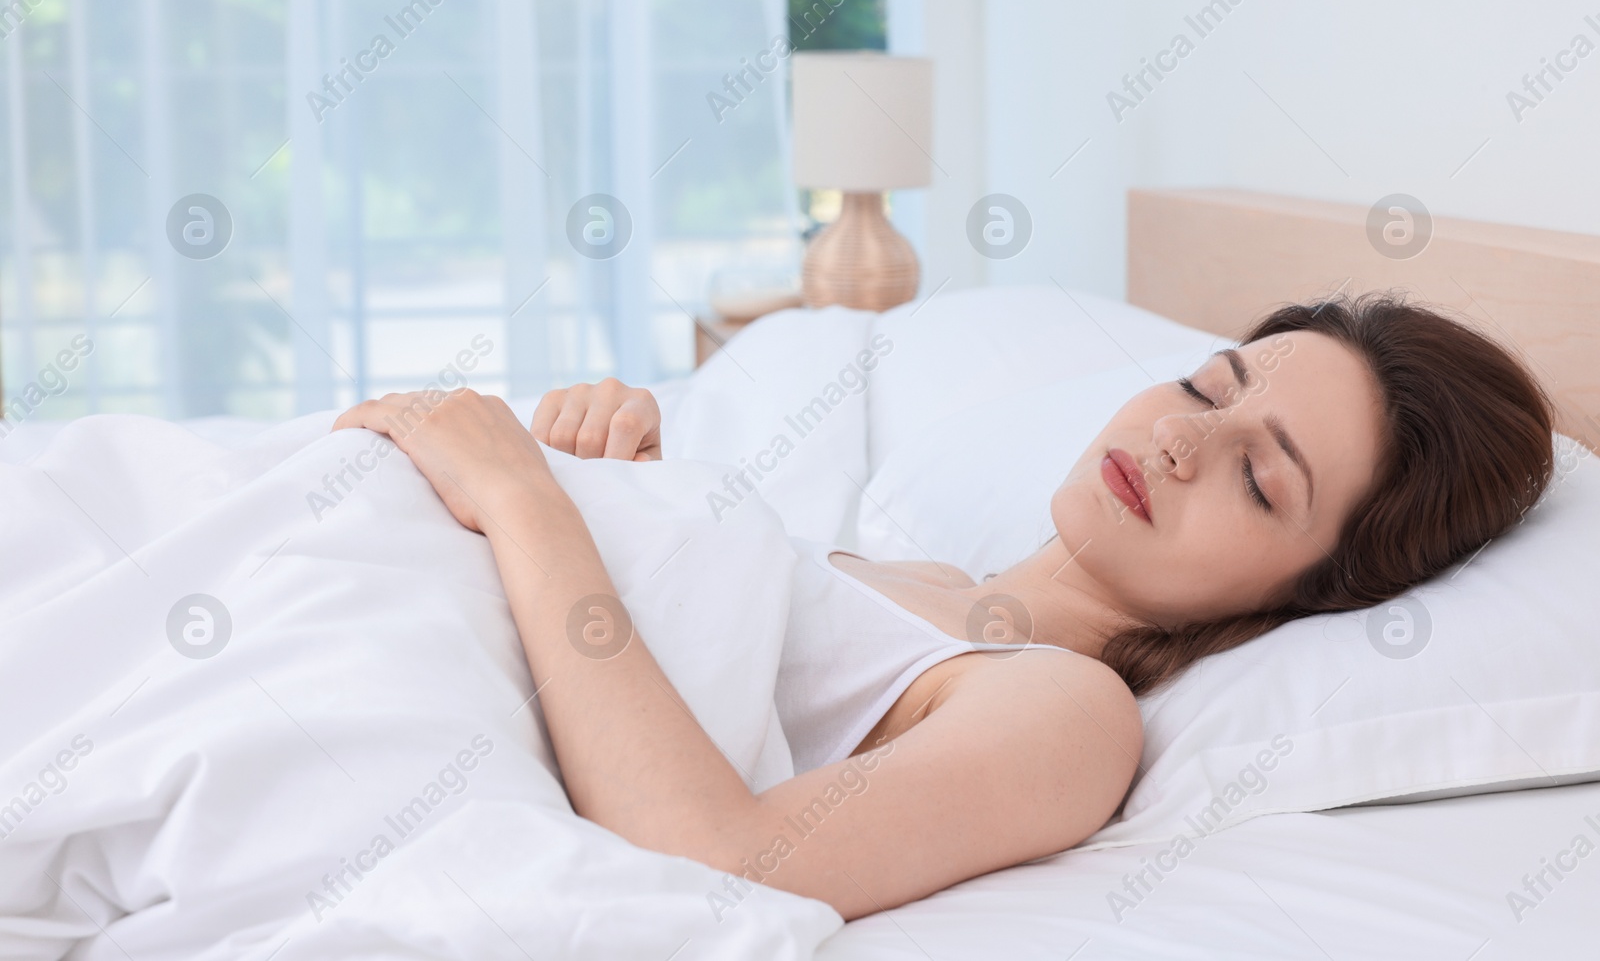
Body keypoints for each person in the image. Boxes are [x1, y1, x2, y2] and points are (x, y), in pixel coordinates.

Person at [330, 292, 1555, 920]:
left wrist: (528, 500)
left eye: (1256, 474)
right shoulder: (911, 577)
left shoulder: (1071, 712)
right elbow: (708, 665)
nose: (1182, 435)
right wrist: (617, 488)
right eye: (1204, 385)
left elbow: (719, 859)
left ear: (1309, 595)